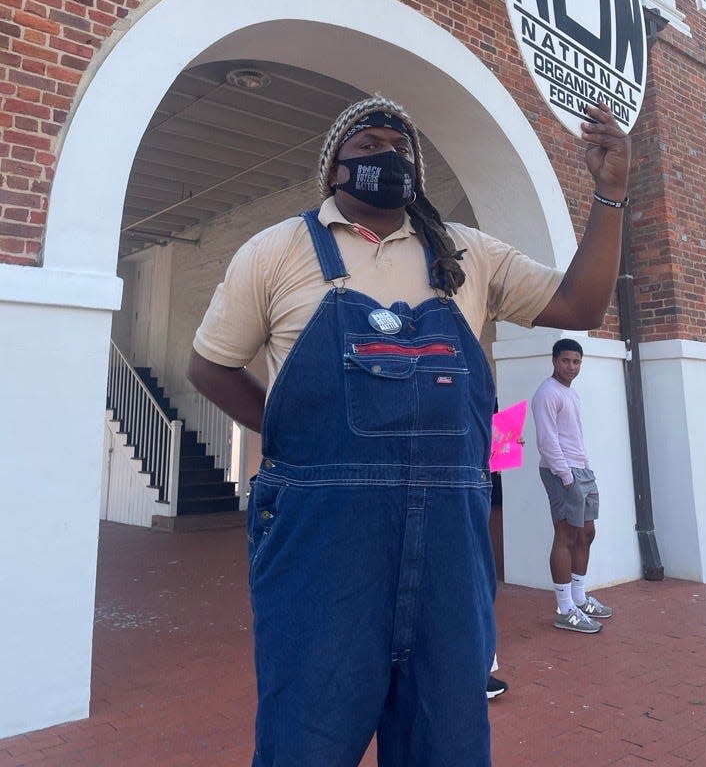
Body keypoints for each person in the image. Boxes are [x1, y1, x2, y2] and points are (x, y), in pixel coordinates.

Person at [187, 94, 629, 767]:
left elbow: (582, 303)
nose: (386, 154)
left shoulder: (467, 255)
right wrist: (295, 440)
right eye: (367, 146)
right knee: (306, 732)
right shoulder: (276, 251)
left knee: (444, 734)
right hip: (323, 535)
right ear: (333, 169)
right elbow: (209, 367)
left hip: (450, 537)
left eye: (400, 146)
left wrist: (612, 195)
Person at [532, 338, 612, 634]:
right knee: (565, 535)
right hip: (562, 471)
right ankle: (565, 608)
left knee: (586, 533)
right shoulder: (547, 393)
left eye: (576, 362)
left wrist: (582, 469)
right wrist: (565, 476)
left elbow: (572, 435)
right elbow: (547, 440)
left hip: (581, 469)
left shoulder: (570, 393)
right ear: (554, 360)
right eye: (566, 361)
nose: (571, 367)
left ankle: (579, 597)